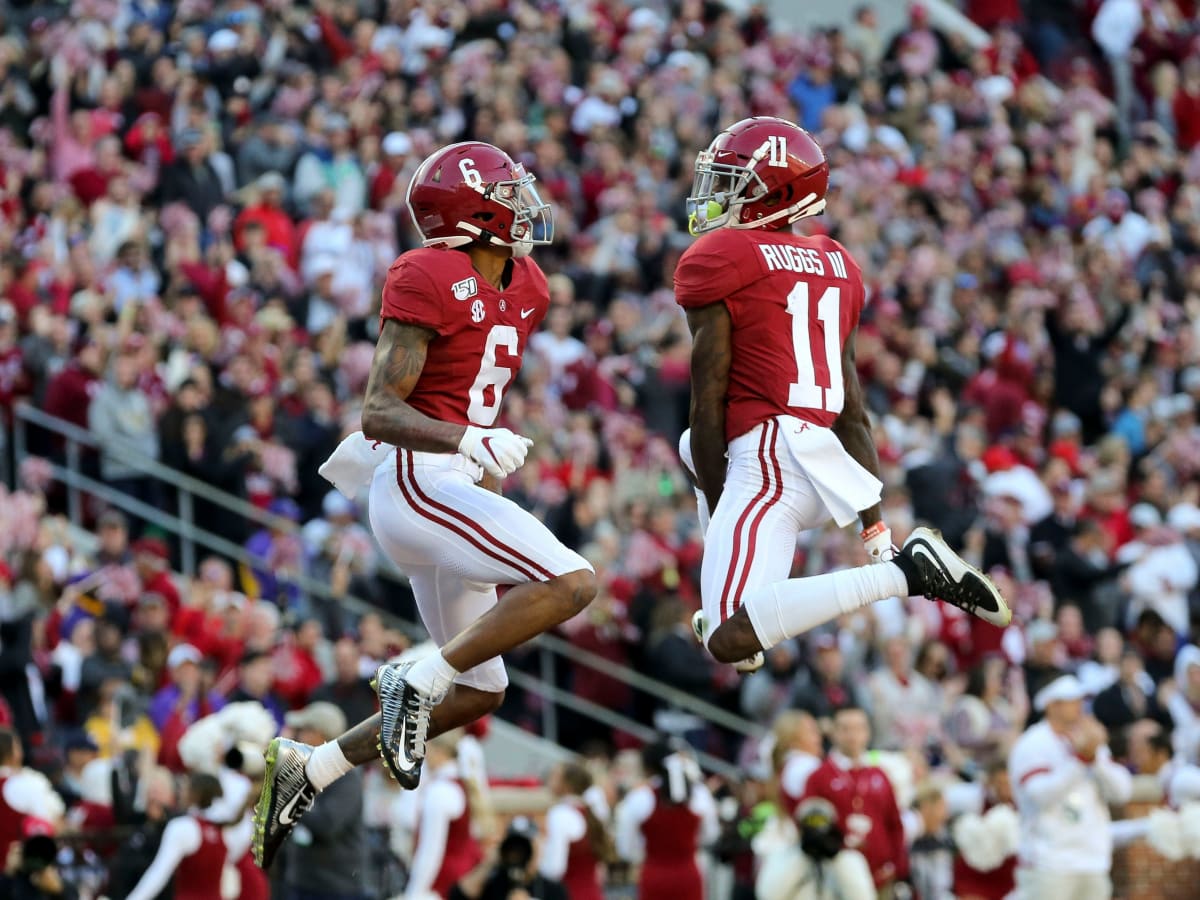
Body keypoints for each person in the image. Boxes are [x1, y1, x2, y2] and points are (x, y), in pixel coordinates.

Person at [252, 140, 598, 869]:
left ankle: (309, 768)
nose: (525, 204)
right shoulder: (427, 272)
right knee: (573, 582)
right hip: (416, 480)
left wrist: (484, 478)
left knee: (479, 691)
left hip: (455, 490)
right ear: (470, 214)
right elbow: (379, 409)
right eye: (509, 194)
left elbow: (483, 399)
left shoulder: (527, 282)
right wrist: (470, 439)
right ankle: (417, 674)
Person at [675, 117, 1009, 674]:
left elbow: (708, 405)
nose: (720, 193)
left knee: (727, 641)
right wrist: (875, 530)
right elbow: (852, 410)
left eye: (736, 181)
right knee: (690, 447)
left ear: (775, 192)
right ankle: (737, 595)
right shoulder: (838, 263)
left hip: (768, 464)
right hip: (822, 461)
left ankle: (902, 576)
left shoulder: (724, 257)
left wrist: (722, 500)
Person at [1007, 674, 1132, 900]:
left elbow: (1122, 791)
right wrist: (1080, 761)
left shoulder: (1091, 741)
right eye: (1072, 701)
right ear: (1051, 705)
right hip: (1048, 862)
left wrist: (1094, 759)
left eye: (1081, 700)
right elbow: (1040, 796)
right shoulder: (1032, 743)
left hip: (1093, 860)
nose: (1080, 707)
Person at [802, 707, 909, 894]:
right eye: (845, 729)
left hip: (882, 875)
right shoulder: (819, 777)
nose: (853, 735)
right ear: (834, 733)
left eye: (859, 728)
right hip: (838, 878)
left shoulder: (880, 774)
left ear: (867, 733)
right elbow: (810, 827)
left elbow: (894, 824)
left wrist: (898, 866)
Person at [279, 703, 367, 900]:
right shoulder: (306, 768)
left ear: (319, 735)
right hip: (303, 882)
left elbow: (326, 823)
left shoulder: (346, 775)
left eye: (303, 731)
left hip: (334, 888)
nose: (298, 737)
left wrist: (291, 796)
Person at [613, 741, 719, 900]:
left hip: (655, 876)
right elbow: (711, 835)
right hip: (688, 876)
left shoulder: (639, 798)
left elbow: (626, 849)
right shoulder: (699, 794)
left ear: (647, 768)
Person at [125, 772, 253, 900]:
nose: (181, 792)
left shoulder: (183, 827)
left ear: (195, 793)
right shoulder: (227, 831)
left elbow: (158, 874)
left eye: (186, 788)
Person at [404, 731, 482, 899]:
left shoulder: (440, 791)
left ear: (439, 750)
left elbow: (431, 850)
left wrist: (414, 893)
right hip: (457, 878)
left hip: (442, 886)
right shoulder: (457, 784)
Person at [755, 797, 875, 900]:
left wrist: (836, 857)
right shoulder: (782, 856)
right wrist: (802, 855)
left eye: (822, 823)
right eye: (810, 825)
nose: (816, 832)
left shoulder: (849, 859)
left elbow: (863, 897)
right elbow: (768, 896)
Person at [539, 762, 611, 900]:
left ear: (566, 784)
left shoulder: (560, 814)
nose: (550, 779)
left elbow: (554, 869)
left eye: (555, 776)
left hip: (569, 894)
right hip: (593, 894)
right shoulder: (591, 811)